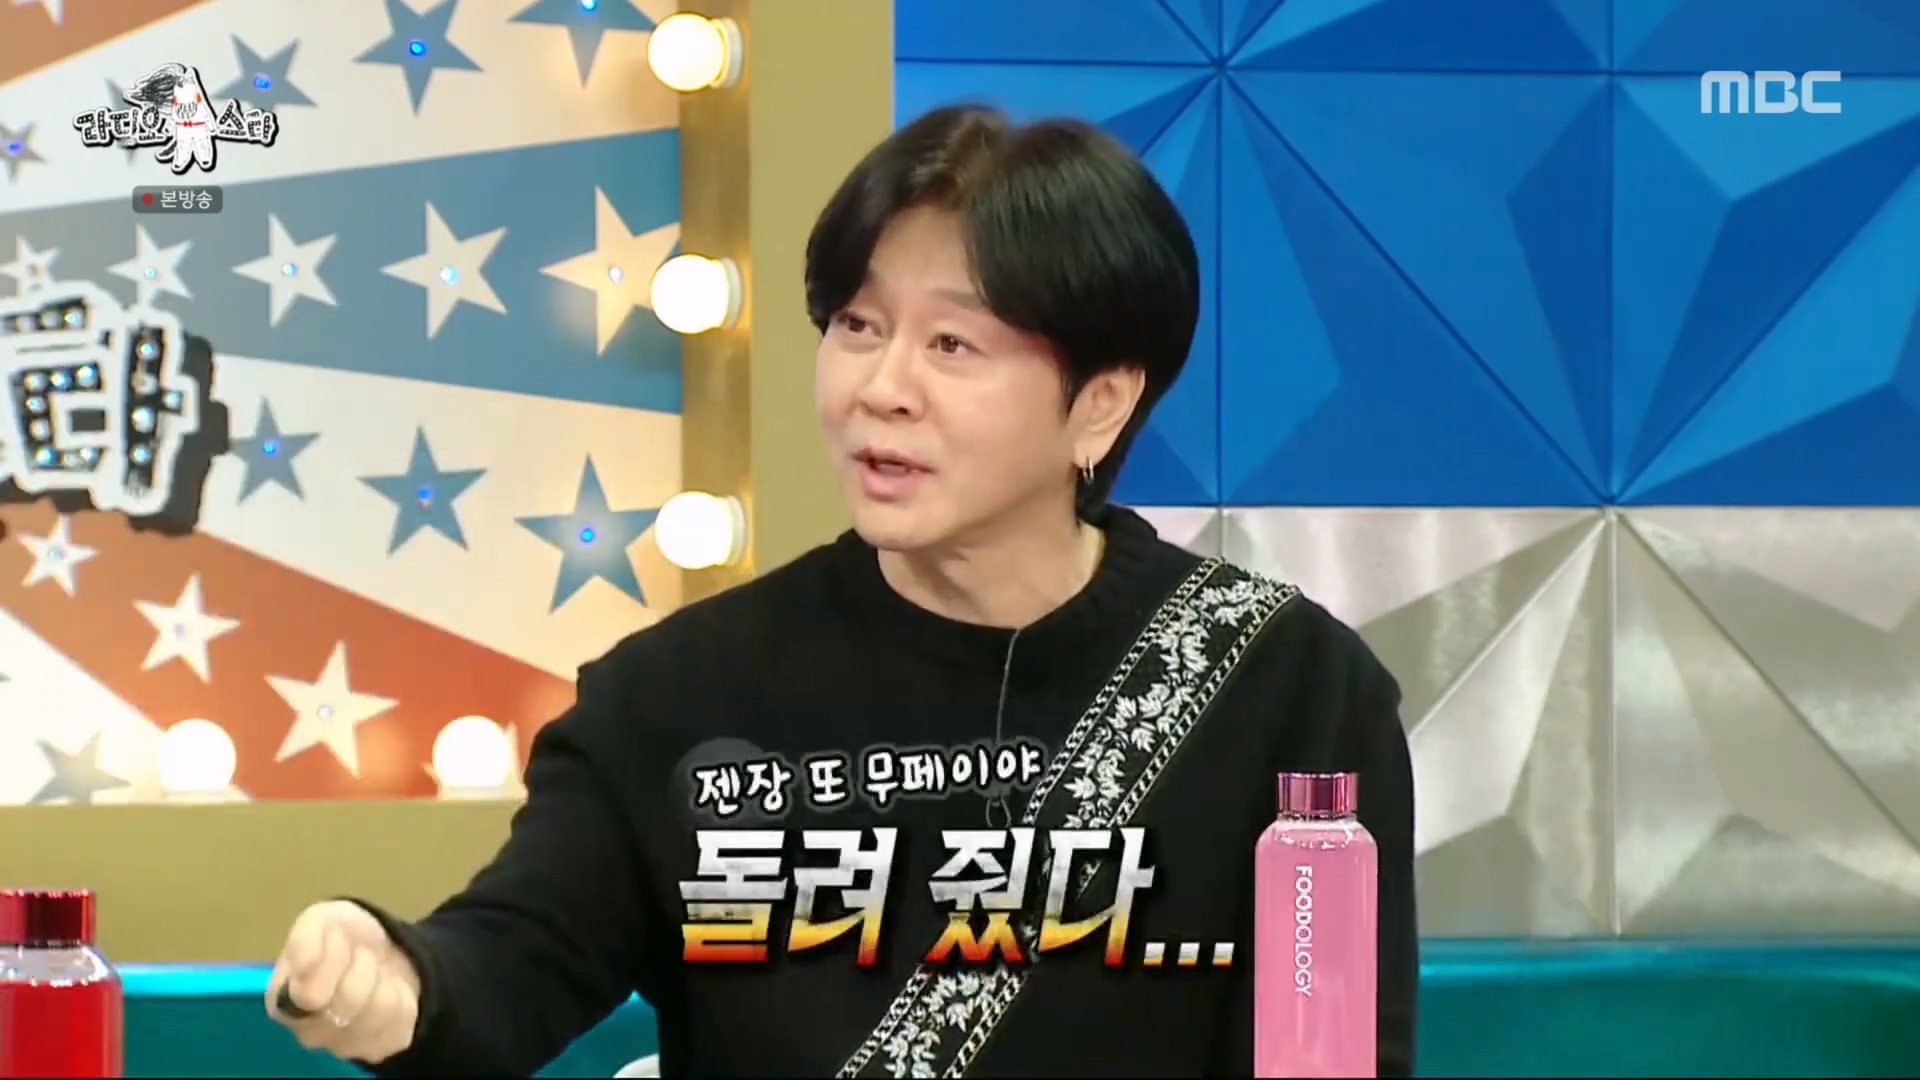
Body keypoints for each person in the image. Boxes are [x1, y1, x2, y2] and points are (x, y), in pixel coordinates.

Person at [266, 105, 1418, 1078]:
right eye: (859, 327)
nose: (881, 387)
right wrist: (397, 976)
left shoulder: (1288, 693)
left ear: (1101, 404)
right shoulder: (679, 693)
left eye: (953, 345)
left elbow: (1327, 1055)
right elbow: (512, 963)